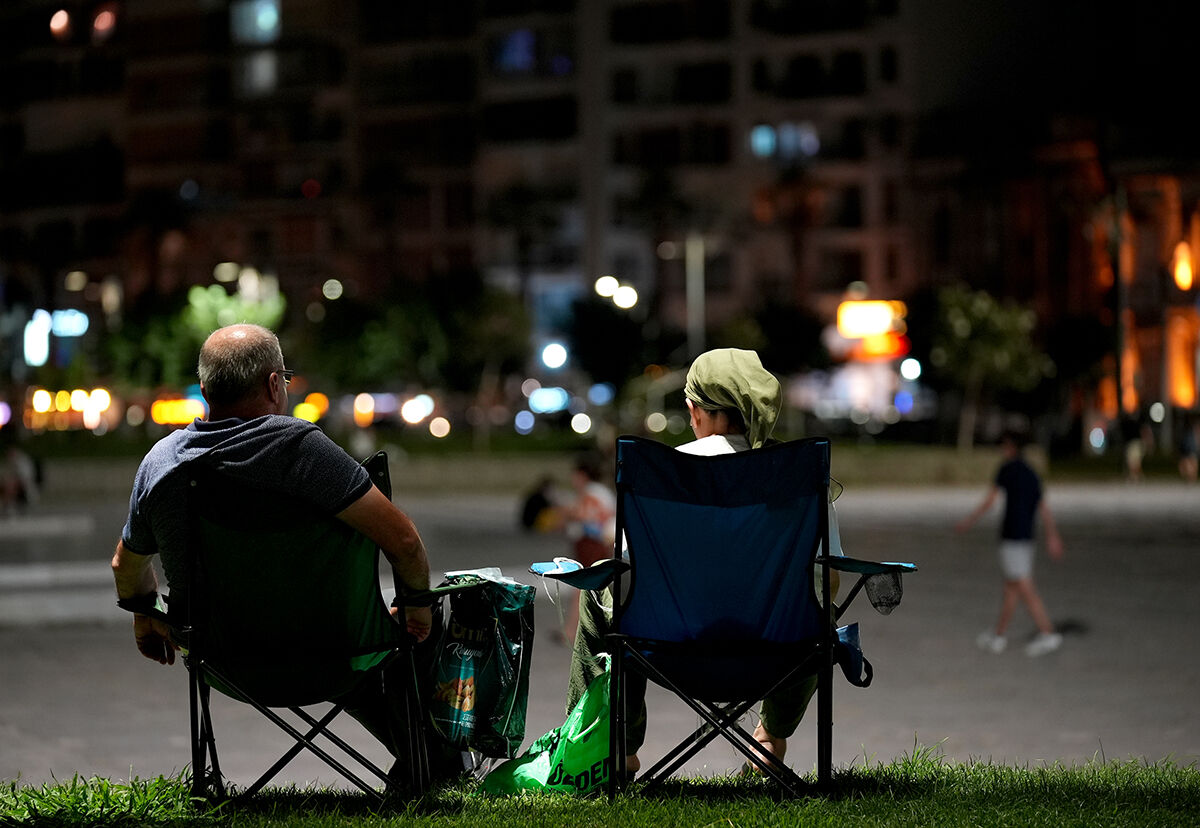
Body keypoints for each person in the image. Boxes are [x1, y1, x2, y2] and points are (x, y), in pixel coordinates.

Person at [110, 323, 449, 783]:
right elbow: (405, 543)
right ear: (274, 384)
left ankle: (427, 763)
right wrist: (419, 609)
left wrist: (143, 613)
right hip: (335, 654)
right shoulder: (302, 449)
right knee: (424, 615)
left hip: (225, 662)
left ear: (206, 389)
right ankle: (430, 763)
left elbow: (125, 567)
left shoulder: (163, 463)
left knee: (363, 646)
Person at [565, 348, 845, 776]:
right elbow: (831, 578)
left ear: (695, 411)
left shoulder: (663, 475)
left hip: (670, 653)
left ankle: (615, 751)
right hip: (774, 657)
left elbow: (627, 571)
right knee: (818, 606)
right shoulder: (797, 479)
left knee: (600, 598)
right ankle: (771, 735)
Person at [956, 430, 1064, 657]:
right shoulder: (1032, 473)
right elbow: (1043, 507)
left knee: (1024, 586)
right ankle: (998, 635)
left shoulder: (1006, 470)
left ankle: (1048, 632)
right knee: (1011, 588)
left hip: (1012, 536)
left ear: (1010, 447)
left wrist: (968, 521)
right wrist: (1052, 535)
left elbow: (989, 501)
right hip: (1027, 536)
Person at [554, 453, 616, 643]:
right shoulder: (602, 492)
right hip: (598, 545)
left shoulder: (591, 494)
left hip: (593, 546)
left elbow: (586, 517)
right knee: (590, 590)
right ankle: (576, 631)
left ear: (582, 475)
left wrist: (566, 513)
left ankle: (572, 632)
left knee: (582, 588)